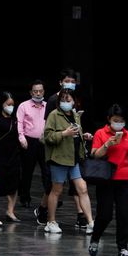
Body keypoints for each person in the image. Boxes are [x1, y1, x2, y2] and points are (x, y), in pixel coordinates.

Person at [87, 104, 128, 256]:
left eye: (122, 121)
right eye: (116, 120)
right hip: (106, 179)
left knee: (124, 214)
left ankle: (122, 248)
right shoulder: (101, 133)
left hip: (124, 178)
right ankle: (95, 237)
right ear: (109, 119)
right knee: (105, 214)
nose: (119, 124)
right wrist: (108, 144)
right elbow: (95, 154)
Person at [42, 88, 94, 235]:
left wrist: (84, 136)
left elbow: (77, 133)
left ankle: (90, 222)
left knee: (82, 188)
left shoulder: (75, 115)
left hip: (73, 158)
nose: (66, 102)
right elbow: (48, 136)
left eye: (68, 100)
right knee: (57, 190)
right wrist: (64, 133)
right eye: (63, 100)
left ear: (74, 102)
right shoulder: (54, 115)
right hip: (59, 158)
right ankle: (51, 221)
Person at [16, 80, 52, 211]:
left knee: (46, 171)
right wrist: (21, 137)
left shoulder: (48, 106)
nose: (38, 93)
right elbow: (19, 123)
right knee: (27, 171)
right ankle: (25, 197)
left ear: (44, 91)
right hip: (29, 141)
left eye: (40, 91)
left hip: (44, 142)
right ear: (31, 92)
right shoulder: (23, 106)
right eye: (35, 91)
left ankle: (49, 197)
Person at [0, 92, 21, 222]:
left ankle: (10, 210)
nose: (11, 107)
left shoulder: (15, 119)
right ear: (2, 104)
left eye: (12, 104)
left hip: (13, 154)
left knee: (13, 184)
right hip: (0, 154)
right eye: (8, 104)